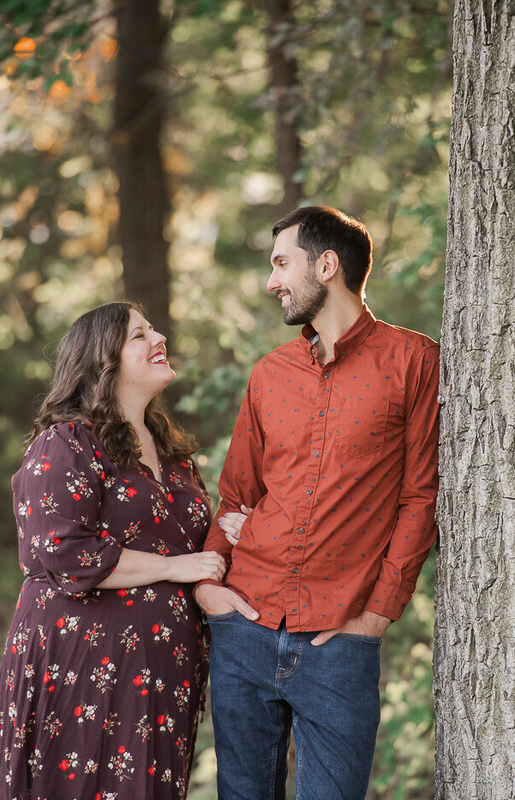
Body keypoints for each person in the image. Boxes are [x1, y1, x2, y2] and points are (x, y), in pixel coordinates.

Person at [195, 205, 441, 799]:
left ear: (326, 265)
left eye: (282, 264)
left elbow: (420, 496)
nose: (271, 281)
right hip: (245, 627)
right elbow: (238, 494)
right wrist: (209, 587)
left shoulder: (414, 362)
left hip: (340, 639)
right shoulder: (269, 374)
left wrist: (377, 614)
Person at [0, 301, 227, 800]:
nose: (160, 338)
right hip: (84, 672)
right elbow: (63, 550)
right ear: (103, 360)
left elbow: (198, 549)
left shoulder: (173, 455)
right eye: (140, 334)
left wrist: (237, 530)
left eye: (153, 329)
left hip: (161, 677)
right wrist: (173, 567)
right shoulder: (66, 442)